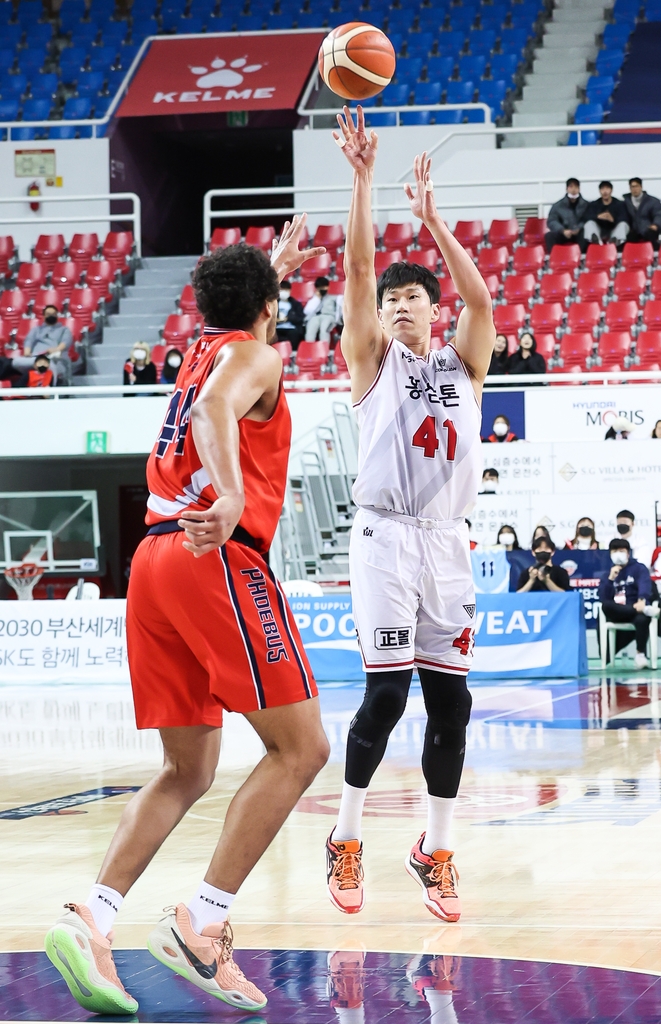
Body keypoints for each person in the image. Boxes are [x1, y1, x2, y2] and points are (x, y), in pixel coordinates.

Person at [44, 217, 330, 1015]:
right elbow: (213, 411)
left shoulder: (204, 344)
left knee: (189, 768)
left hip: (153, 564)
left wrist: (266, 269)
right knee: (301, 749)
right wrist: (233, 496)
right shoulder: (252, 356)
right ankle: (201, 923)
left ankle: (93, 919)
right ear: (270, 307)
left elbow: (224, 353)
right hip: (214, 555)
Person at [325, 107, 495, 925]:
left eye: (410, 299)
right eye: (390, 300)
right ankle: (346, 837)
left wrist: (432, 222)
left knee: (452, 706)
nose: (397, 306)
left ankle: (435, 850)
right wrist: (362, 184)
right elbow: (356, 272)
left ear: (432, 311)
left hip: (447, 546)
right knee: (386, 697)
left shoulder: (463, 365)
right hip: (385, 538)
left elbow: (482, 299)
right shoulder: (372, 360)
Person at [598, 538, 654, 669]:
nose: (618, 553)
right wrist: (611, 579)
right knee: (606, 606)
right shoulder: (607, 574)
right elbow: (603, 597)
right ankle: (644, 609)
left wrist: (642, 599)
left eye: (621, 551)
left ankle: (640, 655)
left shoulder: (639, 568)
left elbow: (644, 585)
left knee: (642, 618)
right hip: (618, 611)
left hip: (635, 609)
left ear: (628, 553)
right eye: (615, 551)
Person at [22, 304, 73, 384]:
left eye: (53, 314)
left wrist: (56, 350)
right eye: (48, 314)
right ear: (43, 316)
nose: (51, 316)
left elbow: (66, 342)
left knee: (50, 366)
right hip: (35, 358)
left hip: (54, 358)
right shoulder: (36, 330)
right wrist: (27, 352)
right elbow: (29, 341)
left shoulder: (64, 330)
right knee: (12, 363)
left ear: (57, 316)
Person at [545, 178, 588, 254]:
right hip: (563, 233)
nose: (573, 190)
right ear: (566, 189)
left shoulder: (586, 205)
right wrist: (562, 230)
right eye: (571, 187)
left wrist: (579, 228)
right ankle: (553, 257)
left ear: (579, 189)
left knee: (585, 234)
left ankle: (581, 258)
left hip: (579, 233)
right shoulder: (558, 206)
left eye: (576, 187)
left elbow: (588, 219)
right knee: (550, 236)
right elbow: (552, 220)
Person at [583, 181, 629, 248]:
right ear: (599, 191)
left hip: (614, 230)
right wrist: (598, 217)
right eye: (602, 189)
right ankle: (596, 242)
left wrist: (613, 219)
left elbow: (625, 218)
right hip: (599, 231)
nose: (605, 191)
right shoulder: (594, 204)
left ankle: (613, 242)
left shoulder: (619, 204)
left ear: (611, 190)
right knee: (589, 224)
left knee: (624, 225)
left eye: (607, 189)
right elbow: (586, 217)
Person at [622, 177, 661, 247]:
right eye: (632, 187)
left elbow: (658, 214)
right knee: (628, 240)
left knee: (651, 237)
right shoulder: (625, 202)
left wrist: (656, 224)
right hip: (633, 230)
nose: (634, 189)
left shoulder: (653, 201)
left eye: (636, 186)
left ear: (641, 187)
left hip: (648, 229)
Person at [304, 276, 338, 341]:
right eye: (320, 288)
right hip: (316, 316)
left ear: (328, 287)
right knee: (310, 327)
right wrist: (317, 298)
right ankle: (309, 347)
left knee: (324, 328)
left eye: (324, 287)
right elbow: (307, 311)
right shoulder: (314, 299)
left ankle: (324, 348)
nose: (323, 289)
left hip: (329, 316)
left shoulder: (333, 298)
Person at [276, 278, 305, 347]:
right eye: (282, 290)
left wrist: (288, 318)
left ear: (290, 291)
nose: (284, 292)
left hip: (291, 328)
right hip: (277, 328)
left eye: (286, 290)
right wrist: (276, 320)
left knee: (294, 334)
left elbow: (300, 318)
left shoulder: (296, 304)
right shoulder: (274, 304)